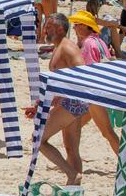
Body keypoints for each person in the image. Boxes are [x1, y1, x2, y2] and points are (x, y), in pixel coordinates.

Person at [24, 14, 85, 184]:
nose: (44, 30)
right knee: (72, 149)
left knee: (39, 139)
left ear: (60, 29)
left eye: (49, 27)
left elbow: (83, 73)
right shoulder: (60, 47)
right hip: (73, 102)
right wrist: (40, 104)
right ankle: (74, 190)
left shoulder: (67, 48)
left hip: (72, 101)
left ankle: (71, 174)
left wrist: (59, 96)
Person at [69, 10, 119, 155]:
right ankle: (71, 160)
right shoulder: (99, 41)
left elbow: (89, 71)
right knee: (74, 126)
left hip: (94, 94)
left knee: (108, 133)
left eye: (76, 25)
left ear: (84, 26)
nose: (74, 28)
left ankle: (125, 163)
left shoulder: (88, 44)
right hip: (101, 90)